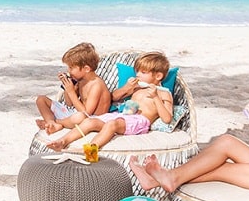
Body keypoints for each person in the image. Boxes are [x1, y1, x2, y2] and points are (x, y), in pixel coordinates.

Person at [44, 51, 175, 151]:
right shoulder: (137, 87)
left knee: (112, 125)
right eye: (137, 72)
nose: (138, 75)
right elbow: (114, 97)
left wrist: (155, 97)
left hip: (140, 121)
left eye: (143, 72)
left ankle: (90, 151)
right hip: (121, 116)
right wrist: (127, 88)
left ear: (158, 76)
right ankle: (63, 141)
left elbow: (167, 118)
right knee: (90, 121)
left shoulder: (163, 93)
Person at [34, 42, 112, 135]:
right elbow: (69, 103)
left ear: (86, 69)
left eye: (71, 68)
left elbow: (86, 113)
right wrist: (68, 88)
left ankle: (57, 123)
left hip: (90, 120)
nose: (69, 71)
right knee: (41, 100)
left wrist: (71, 92)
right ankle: (51, 123)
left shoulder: (96, 85)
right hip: (74, 115)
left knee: (79, 117)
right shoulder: (81, 80)